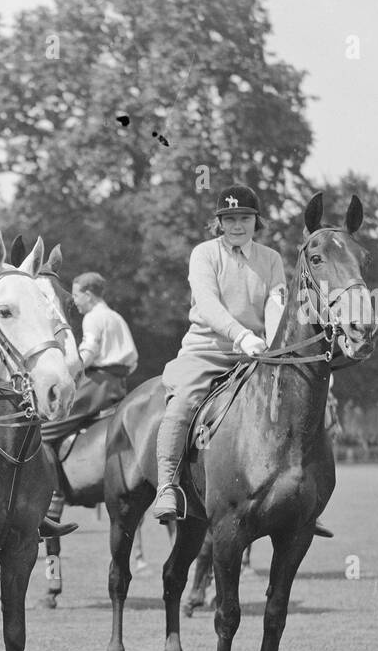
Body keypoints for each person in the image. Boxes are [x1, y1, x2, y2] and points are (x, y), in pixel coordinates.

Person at [151, 185, 331, 537]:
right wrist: (241, 335)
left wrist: (278, 346)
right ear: (219, 223)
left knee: (298, 405)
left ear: (255, 221)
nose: (237, 225)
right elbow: (207, 303)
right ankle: (167, 485)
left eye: (244, 218)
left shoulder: (271, 259)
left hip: (257, 353)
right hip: (206, 350)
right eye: (229, 219)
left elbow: (276, 304)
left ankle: (306, 501)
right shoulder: (204, 254)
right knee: (182, 403)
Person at [70, 272, 138, 416]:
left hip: (97, 384)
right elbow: (133, 361)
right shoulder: (116, 317)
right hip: (119, 385)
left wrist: (69, 369)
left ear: (88, 295)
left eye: (76, 296)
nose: (74, 301)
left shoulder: (92, 317)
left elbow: (88, 354)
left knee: (52, 424)